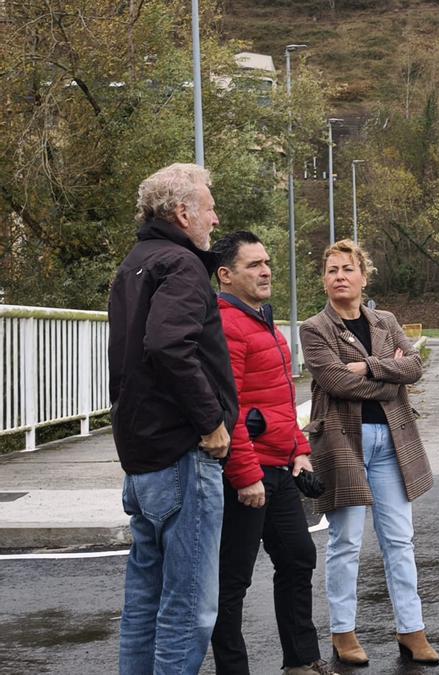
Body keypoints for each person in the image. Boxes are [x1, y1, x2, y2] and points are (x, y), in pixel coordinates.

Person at [108, 162, 236, 674]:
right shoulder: (181, 265)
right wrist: (212, 422)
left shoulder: (135, 262)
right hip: (182, 455)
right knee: (188, 607)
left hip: (141, 457)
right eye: (208, 206)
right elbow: (167, 345)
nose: (216, 218)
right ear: (184, 213)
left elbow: (132, 355)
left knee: (143, 603)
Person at [300, 240, 439, 666]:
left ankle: (411, 630)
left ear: (363, 276)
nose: (339, 275)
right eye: (331, 270)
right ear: (324, 280)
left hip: (393, 442)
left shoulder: (386, 320)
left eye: (347, 268)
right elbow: (337, 383)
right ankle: (344, 632)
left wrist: (366, 366)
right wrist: (387, 371)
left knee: (400, 539)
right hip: (344, 442)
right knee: (346, 541)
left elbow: (414, 367)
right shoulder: (314, 328)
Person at [208, 231, 339, 675]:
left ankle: (300, 660)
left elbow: (280, 403)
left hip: (280, 467)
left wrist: (300, 451)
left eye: (266, 262)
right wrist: (245, 474)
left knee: (298, 557)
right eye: (253, 265)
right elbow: (232, 408)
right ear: (225, 275)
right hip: (248, 473)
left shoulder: (261, 319)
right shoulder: (226, 325)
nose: (265, 271)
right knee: (232, 580)